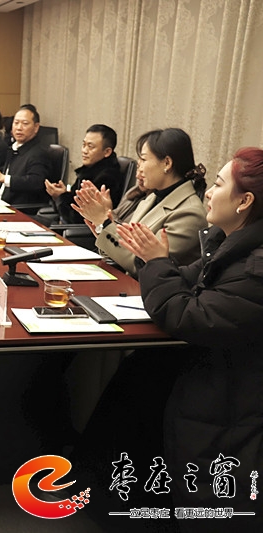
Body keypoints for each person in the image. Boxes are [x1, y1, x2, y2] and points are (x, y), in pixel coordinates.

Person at [112, 147, 263, 531]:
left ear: (245, 201)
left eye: (218, 184)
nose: (208, 192)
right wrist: (159, 262)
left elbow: (188, 315)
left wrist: (156, 262)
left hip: (234, 399)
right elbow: (185, 280)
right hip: (212, 374)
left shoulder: (255, 267)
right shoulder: (229, 242)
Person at [73, 128, 207, 277]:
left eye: (143, 160)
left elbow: (142, 264)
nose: (140, 167)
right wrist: (104, 226)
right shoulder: (152, 198)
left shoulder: (189, 213)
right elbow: (125, 249)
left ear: (167, 163)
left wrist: (104, 223)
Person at [44, 124, 123, 224]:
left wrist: (61, 197)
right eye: (84, 145)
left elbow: (77, 218)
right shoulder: (90, 169)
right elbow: (74, 202)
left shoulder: (107, 178)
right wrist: (62, 194)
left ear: (107, 152)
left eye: (90, 147)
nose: (84, 151)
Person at [0, 104, 54, 205]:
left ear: (36, 127)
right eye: (16, 123)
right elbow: (12, 172)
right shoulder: (14, 147)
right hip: (1, 203)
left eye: (25, 123)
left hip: (20, 208)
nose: (19, 128)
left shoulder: (39, 152)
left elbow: (36, 182)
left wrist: (3, 178)